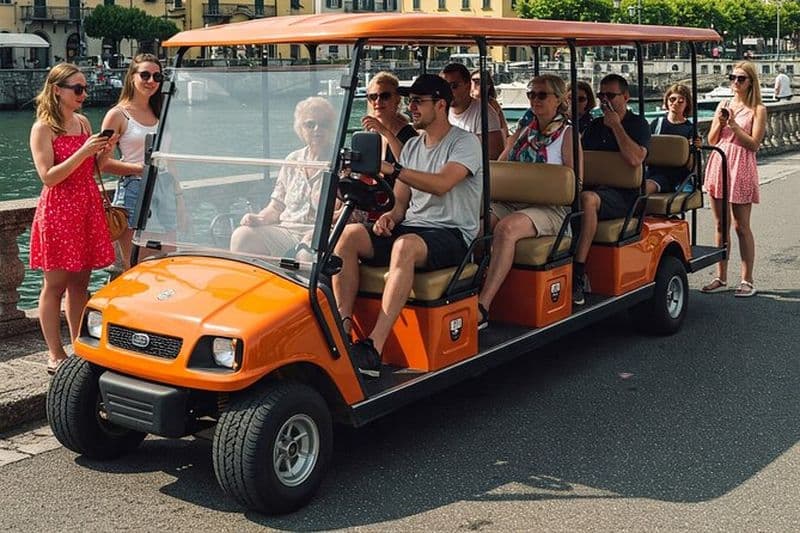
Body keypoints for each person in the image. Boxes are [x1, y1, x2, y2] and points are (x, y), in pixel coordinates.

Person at [333, 75, 482, 377]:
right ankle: (343, 328)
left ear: (440, 105)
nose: (411, 107)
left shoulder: (465, 143)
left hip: (452, 234)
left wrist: (393, 169)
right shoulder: (413, 145)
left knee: (404, 246)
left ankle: (373, 347)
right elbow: (400, 203)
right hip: (414, 229)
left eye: (418, 102)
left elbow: (441, 184)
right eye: (410, 101)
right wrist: (389, 217)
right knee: (348, 235)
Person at [28, 63, 116, 374]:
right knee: (54, 284)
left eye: (85, 88)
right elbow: (48, 177)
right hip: (59, 209)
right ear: (57, 90)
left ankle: (80, 347)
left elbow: (91, 170)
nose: (84, 94)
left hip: (85, 206)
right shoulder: (43, 128)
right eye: (77, 88)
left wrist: (104, 151)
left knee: (81, 283)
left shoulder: (82, 123)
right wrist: (83, 152)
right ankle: (55, 353)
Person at [478, 75, 582, 328]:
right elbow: (503, 164)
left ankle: (483, 305)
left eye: (542, 95)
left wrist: (539, 184)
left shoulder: (568, 134)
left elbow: (575, 183)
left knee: (506, 229)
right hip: (514, 201)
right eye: (531, 94)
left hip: (551, 208)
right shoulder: (525, 130)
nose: (535, 99)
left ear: (558, 99)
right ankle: (466, 288)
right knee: (478, 224)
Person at [573, 73, 651, 305]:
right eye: (601, 96)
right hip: (595, 187)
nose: (605, 101)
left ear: (625, 97)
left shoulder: (638, 125)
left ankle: (578, 271)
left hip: (624, 195)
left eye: (610, 95)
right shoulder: (594, 126)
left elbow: (635, 159)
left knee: (588, 200)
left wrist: (616, 126)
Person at [100, 53, 180, 269]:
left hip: (164, 187)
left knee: (169, 260)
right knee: (137, 264)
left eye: (157, 77)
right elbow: (101, 163)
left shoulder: (162, 112)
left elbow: (169, 158)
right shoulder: (118, 115)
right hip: (135, 188)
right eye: (145, 75)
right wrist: (140, 169)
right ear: (132, 77)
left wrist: (179, 197)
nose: (151, 81)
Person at [230, 97, 337, 257]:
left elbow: (347, 214)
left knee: (307, 254)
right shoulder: (292, 160)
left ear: (332, 127)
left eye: (324, 124)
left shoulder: (339, 162)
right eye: (310, 124)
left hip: (322, 233)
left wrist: (321, 230)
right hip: (287, 230)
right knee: (242, 236)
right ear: (300, 128)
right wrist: (259, 218)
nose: (317, 129)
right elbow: (276, 206)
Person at [701, 62, 767, 298]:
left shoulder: (758, 109)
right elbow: (712, 139)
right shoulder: (723, 104)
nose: (735, 82)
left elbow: (754, 144)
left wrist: (734, 126)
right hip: (720, 161)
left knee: (741, 226)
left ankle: (747, 279)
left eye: (741, 78)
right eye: (733, 77)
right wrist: (720, 122)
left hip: (741, 164)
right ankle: (721, 277)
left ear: (750, 82)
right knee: (721, 225)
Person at [440, 63, 504, 159]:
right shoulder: (439, 111)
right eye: (444, 87)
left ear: (468, 86)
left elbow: (492, 157)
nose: (448, 92)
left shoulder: (485, 113)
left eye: (453, 86)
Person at [361, 71, 418, 173]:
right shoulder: (370, 134)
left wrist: (385, 132)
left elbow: (408, 165)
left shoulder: (409, 135)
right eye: (373, 97)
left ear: (397, 99)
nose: (378, 101)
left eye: (385, 96)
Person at [645, 83, 696, 194]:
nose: (675, 103)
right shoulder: (657, 124)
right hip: (655, 173)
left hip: (679, 177)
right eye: (672, 99)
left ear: (687, 104)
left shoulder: (690, 129)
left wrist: (694, 148)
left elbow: (691, 166)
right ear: (667, 101)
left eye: (680, 101)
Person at [470, 69, 509, 139]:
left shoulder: (492, 104)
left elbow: (504, 130)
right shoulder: (464, 105)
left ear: (487, 86)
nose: (473, 85)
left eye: (477, 82)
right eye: (471, 82)